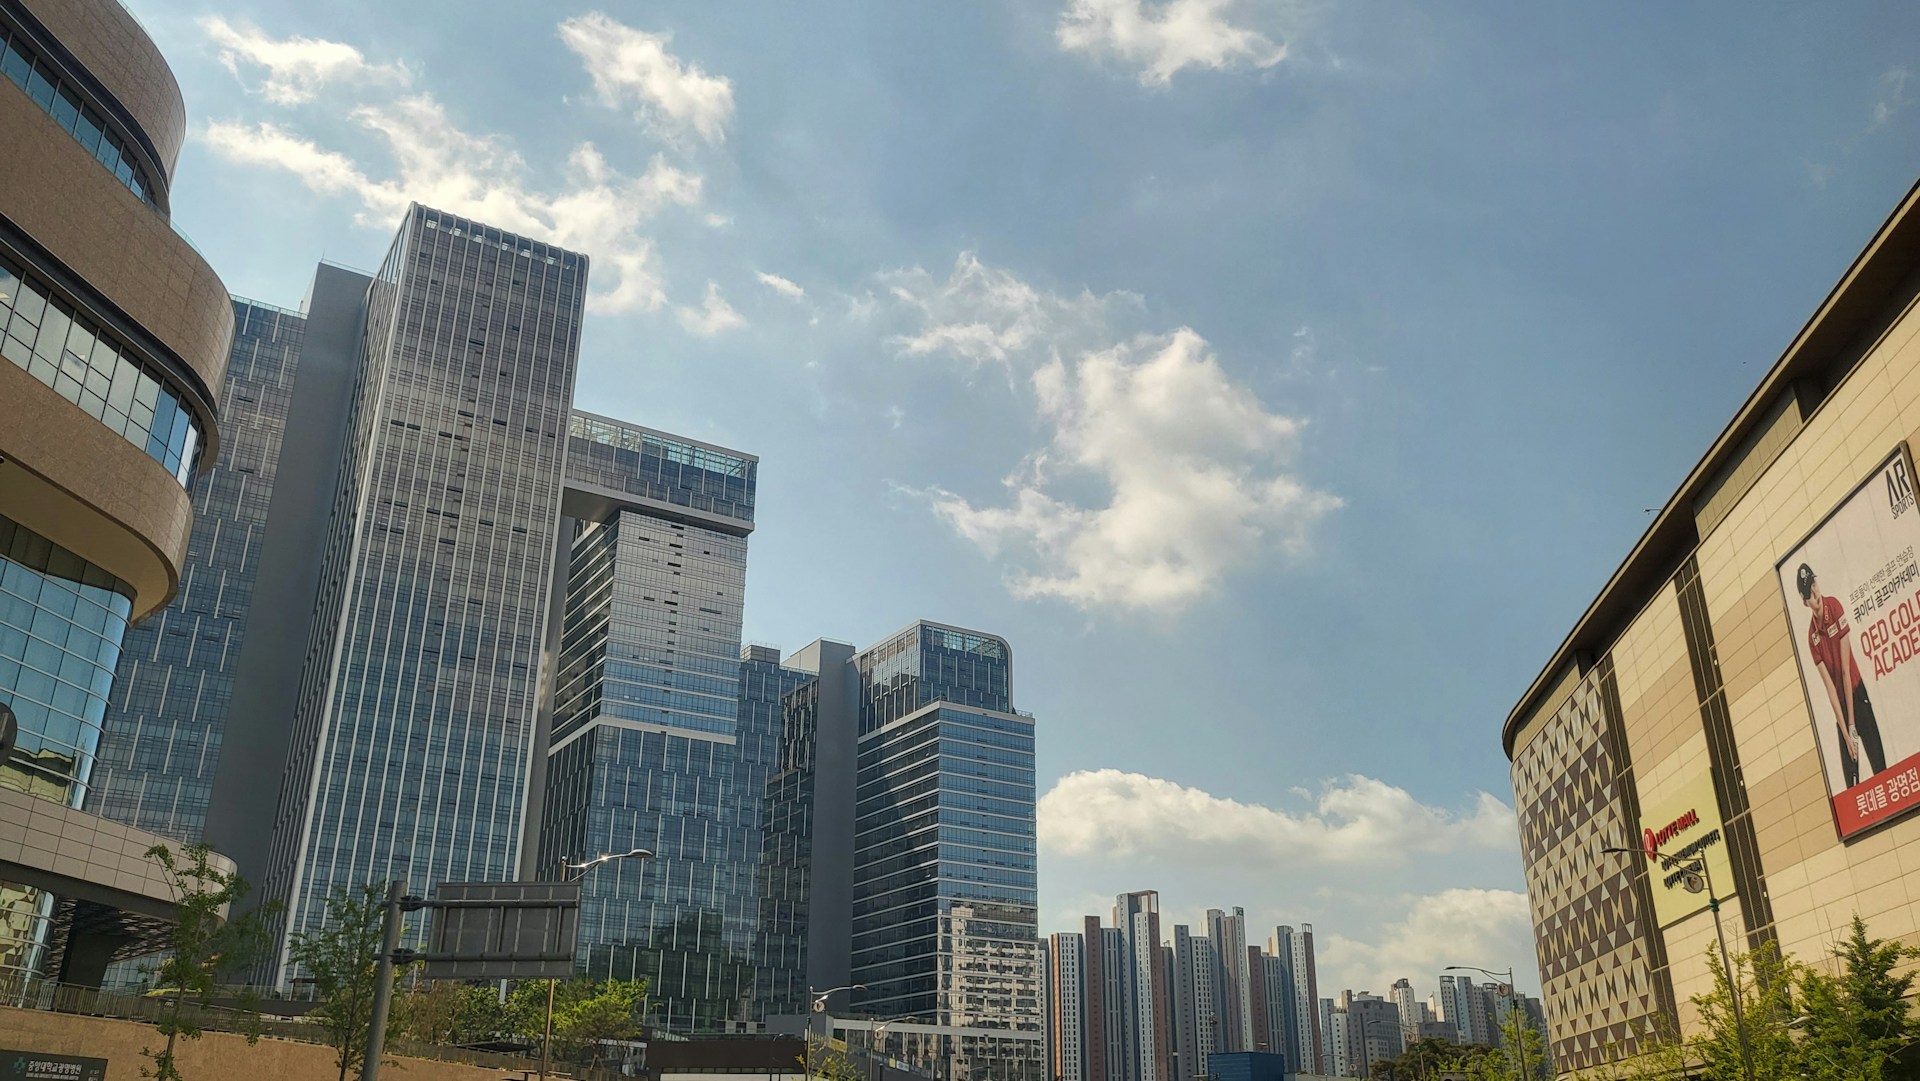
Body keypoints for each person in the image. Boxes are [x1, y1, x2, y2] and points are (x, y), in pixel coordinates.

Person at [1799, 562, 1889, 788]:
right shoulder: (1812, 638)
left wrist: (1852, 724)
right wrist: (1846, 733)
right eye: (1808, 592)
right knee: (1852, 781)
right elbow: (1831, 689)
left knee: (1880, 768)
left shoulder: (1834, 607)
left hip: (1857, 694)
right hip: (1840, 703)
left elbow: (1846, 673)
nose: (1814, 592)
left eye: (1814, 584)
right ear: (1804, 601)